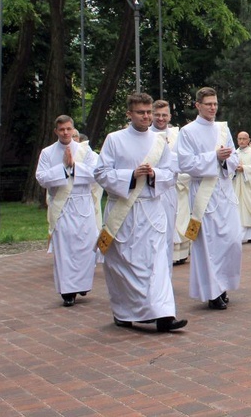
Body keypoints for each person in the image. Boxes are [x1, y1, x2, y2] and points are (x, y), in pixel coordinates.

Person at [94, 92, 187, 332]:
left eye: (149, 112)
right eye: (141, 112)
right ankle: (124, 312)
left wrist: (155, 174)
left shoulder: (159, 142)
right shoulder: (114, 139)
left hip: (151, 209)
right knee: (123, 264)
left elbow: (170, 172)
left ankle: (164, 314)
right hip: (123, 212)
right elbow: (101, 173)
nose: (146, 117)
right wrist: (130, 175)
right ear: (129, 114)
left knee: (157, 263)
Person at [177, 87, 242, 311]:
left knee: (232, 241)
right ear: (198, 105)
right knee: (209, 244)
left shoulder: (223, 129)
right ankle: (213, 292)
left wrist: (226, 160)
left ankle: (223, 284)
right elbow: (185, 163)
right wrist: (214, 156)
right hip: (203, 193)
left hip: (224, 190)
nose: (213, 108)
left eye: (215, 103)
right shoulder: (187, 132)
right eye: (208, 104)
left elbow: (234, 156)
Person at [36, 115, 99, 307]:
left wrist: (74, 166)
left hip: (83, 203)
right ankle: (68, 291)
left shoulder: (84, 150)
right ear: (56, 131)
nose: (65, 132)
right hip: (62, 206)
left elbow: (96, 173)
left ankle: (82, 283)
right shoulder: (47, 153)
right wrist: (63, 168)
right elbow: (41, 178)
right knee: (65, 249)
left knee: (87, 247)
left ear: (73, 130)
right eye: (61, 129)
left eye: (68, 129)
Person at [150, 99, 189, 266]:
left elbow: (183, 161)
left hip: (169, 191)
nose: (160, 118)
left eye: (164, 115)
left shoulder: (177, 136)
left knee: (167, 234)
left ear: (169, 116)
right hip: (148, 190)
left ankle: (165, 277)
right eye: (157, 115)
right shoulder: (145, 134)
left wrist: (165, 154)